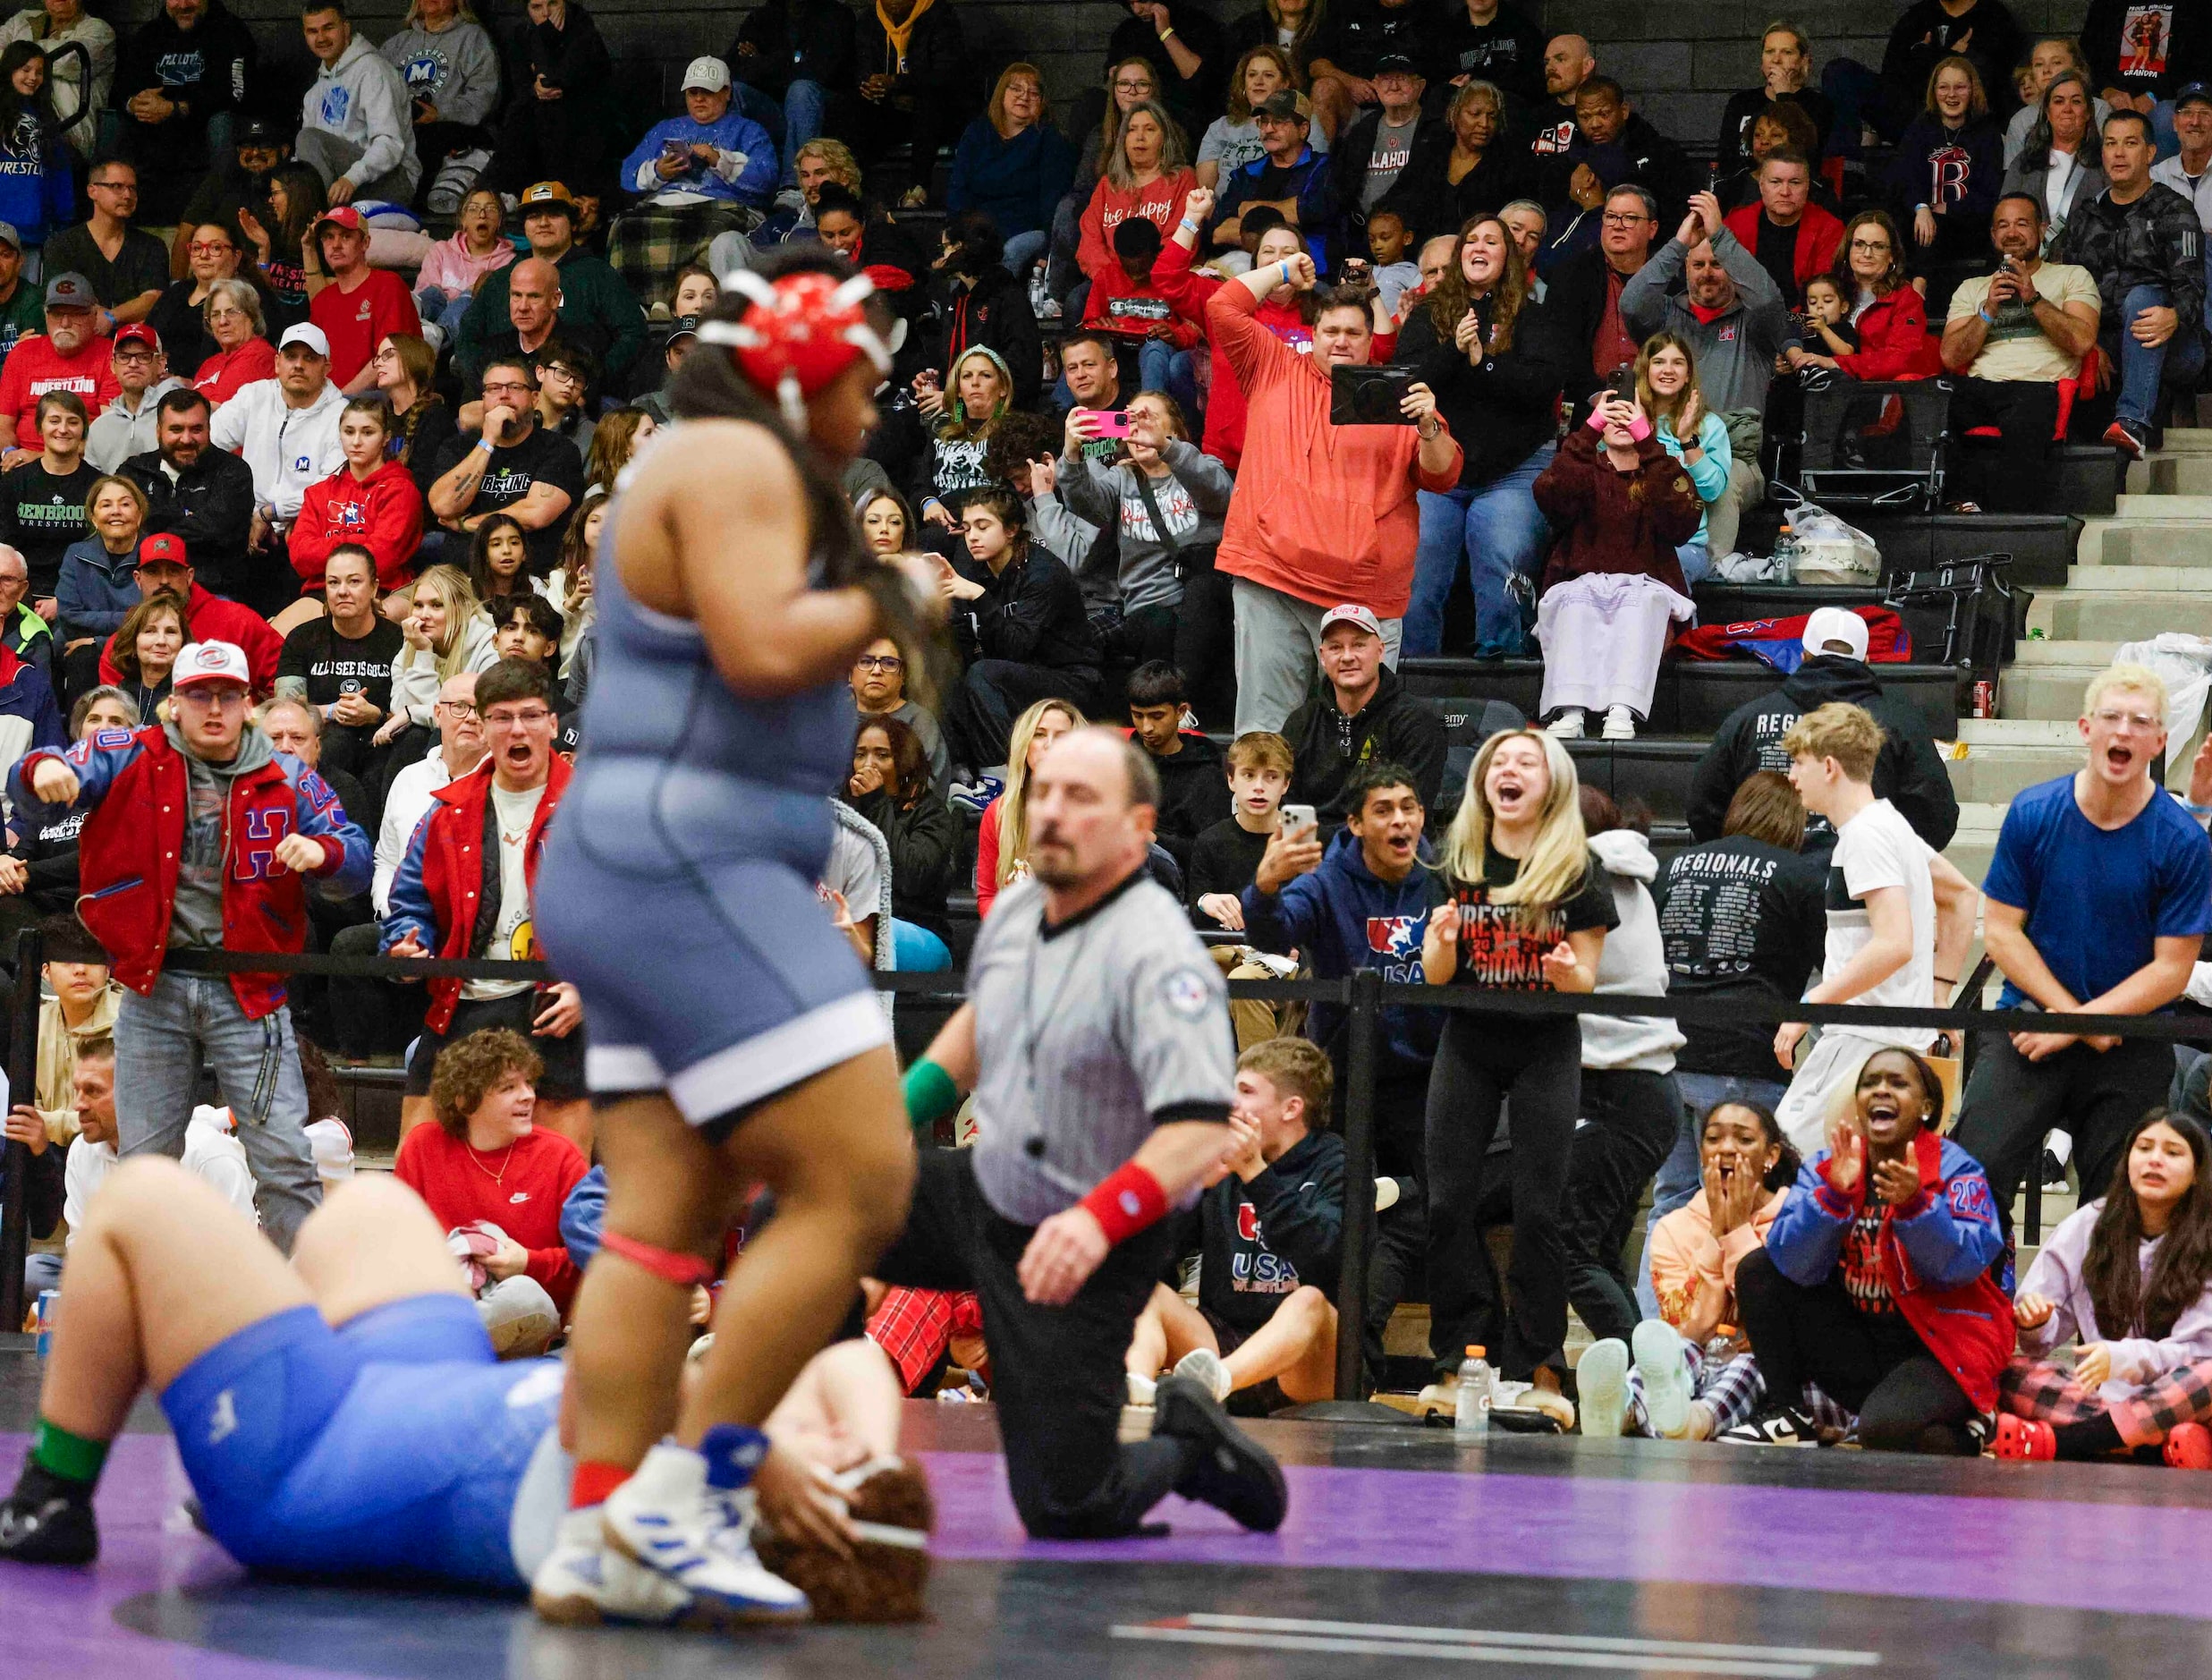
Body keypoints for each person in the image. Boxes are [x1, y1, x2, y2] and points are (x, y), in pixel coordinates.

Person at [523, 254, 942, 1619]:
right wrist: (898, 593)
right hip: (690, 857)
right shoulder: (736, 459)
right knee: (862, 1178)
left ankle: (596, 1534)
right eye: (861, 387)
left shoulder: (703, 462)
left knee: (661, 1219)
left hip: (630, 854)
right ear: (802, 373)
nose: (871, 417)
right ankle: (691, 1486)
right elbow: (766, 646)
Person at [882, 725, 1286, 1536]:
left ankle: (1186, 1446)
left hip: (1095, 1226)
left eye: (1082, 797)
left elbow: (1198, 1129)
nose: (1053, 812)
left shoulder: (1158, 955)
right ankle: (812, 1447)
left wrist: (1092, 1221)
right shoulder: (1023, 903)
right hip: (992, 1186)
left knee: (1067, 1504)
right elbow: (970, 1038)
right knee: (812, 1200)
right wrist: (884, 1124)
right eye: (1045, 792)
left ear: (1138, 828)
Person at [10, 635, 369, 1251]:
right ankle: (152, 1312)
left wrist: (324, 852)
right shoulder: (128, 751)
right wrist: (41, 768)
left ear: (247, 705)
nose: (212, 708)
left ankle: (307, 1304)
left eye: (227, 696)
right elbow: (61, 763)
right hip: (152, 983)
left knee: (284, 1160)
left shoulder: (287, 775)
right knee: (147, 1165)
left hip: (248, 989)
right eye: (198, 695)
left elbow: (355, 853)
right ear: (172, 704)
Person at [1952, 666, 2209, 1225]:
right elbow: (2000, 931)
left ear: (2160, 741)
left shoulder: (2183, 840)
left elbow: (2172, 969)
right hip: (2030, 1026)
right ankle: (1986, 1311)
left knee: (2119, 1211)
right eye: (2112, 718)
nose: (2123, 732)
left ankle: (2100, 1314)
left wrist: (2081, 1023)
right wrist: (2070, 1020)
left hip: (2131, 1041)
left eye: (2140, 722)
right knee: (1970, 1177)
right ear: (2085, 728)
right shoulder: (2033, 812)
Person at [1416, 729, 1611, 1423]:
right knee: (1446, 1204)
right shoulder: (1460, 859)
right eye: (1498, 761)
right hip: (1467, 1040)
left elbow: (1585, 977)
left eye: (1524, 761)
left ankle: (1540, 1372)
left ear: (1549, 782)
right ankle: (1457, 1360)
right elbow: (1437, 977)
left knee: (1538, 1210)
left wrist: (1565, 975)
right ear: (1482, 782)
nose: (1508, 769)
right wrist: (1437, 946)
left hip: (1545, 1046)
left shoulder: (1577, 868)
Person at [1209, 247, 1461, 733]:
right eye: (1330, 331)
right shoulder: (1272, 366)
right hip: (1271, 577)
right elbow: (1222, 307)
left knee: (1364, 736)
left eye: (1353, 333)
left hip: (1363, 592)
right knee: (1266, 732)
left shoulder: (1402, 395)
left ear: (1373, 341)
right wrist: (1283, 270)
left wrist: (1429, 426)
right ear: (1313, 335)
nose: (1341, 342)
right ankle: (1269, 812)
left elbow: (1443, 475)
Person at [1729, 1047, 2012, 1452]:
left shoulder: (1958, 1170)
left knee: (1881, 1433)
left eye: (1898, 1083)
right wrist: (1834, 1199)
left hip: (1942, 1347)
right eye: (1870, 1083)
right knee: (1759, 1269)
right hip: (1861, 1340)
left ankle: (1973, 1422)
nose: (1881, 1090)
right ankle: (1789, 1413)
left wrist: (1917, 1207)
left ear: (1926, 1107)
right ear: (1859, 1103)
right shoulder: (1830, 1166)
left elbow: (1960, 1268)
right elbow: (1792, 1265)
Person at [380, 658, 584, 1146]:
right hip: (462, 1003)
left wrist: (589, 990)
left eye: (532, 715)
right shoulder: (447, 811)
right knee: (417, 1162)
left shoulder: (591, 808)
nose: (518, 729)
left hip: (555, 1006)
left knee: (562, 1183)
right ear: (484, 725)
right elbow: (408, 905)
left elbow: (630, 917)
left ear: (553, 724)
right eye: (502, 717)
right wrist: (408, 946)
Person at [1771, 701, 1977, 1156]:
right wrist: (1939, 995)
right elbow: (1962, 897)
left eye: (1798, 763)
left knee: (1781, 1167)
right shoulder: (1891, 826)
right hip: (1893, 1041)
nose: (1791, 776)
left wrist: (1811, 1003)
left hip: (1865, 1041)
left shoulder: (1867, 835)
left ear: (1828, 767)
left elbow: (1895, 942)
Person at [1645, 773, 1826, 1243]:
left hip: (1667, 1055)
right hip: (1746, 1059)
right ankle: (1732, 1319)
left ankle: (1655, 1319)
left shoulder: (1673, 865)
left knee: (1670, 1207)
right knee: (1744, 1210)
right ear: (1794, 823)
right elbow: (1838, 968)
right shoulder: (1800, 876)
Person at [1124, 1036, 1344, 1410]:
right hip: (1218, 1343)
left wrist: (1256, 1174)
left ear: (1291, 1108)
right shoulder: (1220, 1161)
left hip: (1301, 1363)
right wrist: (1193, 1187)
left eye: (1245, 1091)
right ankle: (1133, 1393)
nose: (1230, 1103)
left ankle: (1212, 1384)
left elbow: (1327, 1255)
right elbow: (1156, 1255)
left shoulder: (1336, 1161)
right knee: (1144, 1289)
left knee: (1309, 1300)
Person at [1996, 1110, 2212, 1464]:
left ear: (2195, 1174)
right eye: (2144, 1148)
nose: (2155, 1159)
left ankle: (2067, 1443)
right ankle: (2153, 1446)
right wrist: (2034, 1323)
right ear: (2128, 1161)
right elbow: (2039, 1343)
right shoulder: (2087, 1224)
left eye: (2173, 1153)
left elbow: (2199, 1354)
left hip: (2185, 1394)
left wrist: (2123, 1357)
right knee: (2007, 1372)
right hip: (2108, 1401)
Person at [1582, 1098, 1801, 1442]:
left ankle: (1687, 1422)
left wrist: (1739, 1228)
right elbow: (1690, 1329)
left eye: (1744, 1139)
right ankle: (1617, 1410)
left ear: (1771, 1156)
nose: (1727, 1149)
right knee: (1673, 1357)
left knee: (1747, 1365)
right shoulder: (1674, 1228)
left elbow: (1779, 1316)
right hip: (1701, 1361)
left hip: (1779, 1372)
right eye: (1714, 1139)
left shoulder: (1798, 1216)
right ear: (1701, 1154)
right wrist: (1717, 1232)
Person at [1398, 212, 1563, 658]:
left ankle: (1501, 668)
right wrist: (1454, 350)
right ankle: (1414, 672)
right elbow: (1408, 384)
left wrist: (1483, 362)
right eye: (1472, 240)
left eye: (1492, 241)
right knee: (1419, 563)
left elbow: (1541, 388)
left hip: (1514, 469)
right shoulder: (1428, 314)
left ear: (1507, 257)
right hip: (1438, 470)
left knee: (1499, 550)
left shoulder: (1531, 315)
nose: (1480, 247)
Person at [1561, 788, 1687, 1348]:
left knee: (1568, 1249)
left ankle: (1647, 1374)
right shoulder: (1627, 873)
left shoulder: (1586, 881)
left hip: (1621, 1091)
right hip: (1648, 1089)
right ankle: (1648, 1374)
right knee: (1598, 1250)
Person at [1688, 608, 1962, 853]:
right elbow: (1936, 815)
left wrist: (1747, 860)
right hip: (1859, 886)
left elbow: (1703, 807)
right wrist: (1892, 862)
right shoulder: (1900, 721)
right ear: (1867, 659)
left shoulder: (1747, 719)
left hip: (1767, 889)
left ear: (1803, 656)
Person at [394, 1025, 588, 1356]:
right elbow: (394, 1242)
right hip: (444, 1300)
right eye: (508, 1087)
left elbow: (590, 1259)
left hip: (527, 1321)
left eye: (529, 1083)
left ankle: (423, 1346)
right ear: (465, 1101)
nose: (528, 1095)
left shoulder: (560, 1155)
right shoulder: (423, 1146)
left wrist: (528, 1262)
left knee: (523, 1296)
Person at [1620, 191, 1792, 558]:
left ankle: (1707, 574)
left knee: (1718, 489)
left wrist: (1721, 236)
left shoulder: (1755, 324)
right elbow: (1631, 303)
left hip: (1736, 462)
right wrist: (1681, 242)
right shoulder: (1665, 317)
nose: (1708, 273)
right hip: (1662, 447)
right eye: (1698, 265)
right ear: (1685, 268)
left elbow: (1768, 300)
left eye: (1717, 264)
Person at [1530, 386, 1702, 742]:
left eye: (1631, 411)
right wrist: (1589, 430)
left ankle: (1623, 709)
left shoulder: (1658, 470)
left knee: (1640, 603)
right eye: (1611, 409)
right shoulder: (1581, 467)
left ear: (1648, 422)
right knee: (1575, 601)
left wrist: (1648, 444)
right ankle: (1570, 709)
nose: (1620, 416)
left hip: (1645, 588)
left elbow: (1685, 520)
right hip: (1581, 584)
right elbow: (1551, 497)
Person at [2060, 108, 2207, 459]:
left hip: (2173, 342)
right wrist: (2088, 344)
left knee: (2142, 298)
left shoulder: (2175, 209)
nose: (2119, 153)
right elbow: (2066, 286)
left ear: (2151, 153)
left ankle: (2131, 423)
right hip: (2104, 343)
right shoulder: (2084, 215)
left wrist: (2173, 316)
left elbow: (2194, 288)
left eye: (2130, 143)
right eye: (2111, 143)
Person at [1941, 193, 2103, 513]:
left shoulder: (2071, 276)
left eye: (2022, 223)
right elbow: (1950, 356)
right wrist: (1987, 310)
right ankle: (1955, 506)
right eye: (2002, 225)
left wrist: (2032, 298)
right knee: (1934, 398)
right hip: (1982, 387)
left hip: (2038, 386)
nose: (2012, 232)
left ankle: (2011, 521)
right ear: (1993, 236)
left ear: (2042, 230)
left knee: (2027, 412)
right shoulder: (1972, 287)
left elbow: (2082, 342)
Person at [1057, 389, 1232, 676]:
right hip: (1147, 606)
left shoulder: (1202, 465)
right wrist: (1072, 454)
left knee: (1203, 592)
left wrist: (1167, 448)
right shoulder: (1121, 478)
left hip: (1203, 600)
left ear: (1174, 430)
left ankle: (1183, 704)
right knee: (1156, 622)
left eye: (1149, 419)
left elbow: (1217, 493)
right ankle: (1169, 704)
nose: (1140, 429)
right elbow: (1085, 505)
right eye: (1131, 422)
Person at [940, 486, 1102, 778]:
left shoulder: (1042, 574)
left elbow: (1016, 647)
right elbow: (964, 634)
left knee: (982, 674)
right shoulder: (977, 568)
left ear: (1012, 529)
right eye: (966, 529)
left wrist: (980, 598)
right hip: (1018, 675)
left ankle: (1004, 776)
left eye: (983, 526)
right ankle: (962, 773)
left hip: (1070, 678)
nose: (972, 536)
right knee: (947, 671)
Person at [610, 55, 777, 303]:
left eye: (707, 92)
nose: (699, 99)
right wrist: (658, 171)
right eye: (693, 92)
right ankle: (641, 308)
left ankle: (699, 306)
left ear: (727, 92)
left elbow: (767, 179)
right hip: (665, 205)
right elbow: (627, 174)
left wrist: (719, 160)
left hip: (723, 207)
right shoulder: (665, 128)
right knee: (623, 227)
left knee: (714, 231)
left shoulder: (749, 130)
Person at [454, 181, 646, 394]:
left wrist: (590, 383)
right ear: (524, 226)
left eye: (554, 214)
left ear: (573, 223)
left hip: (577, 402)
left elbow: (633, 333)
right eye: (534, 216)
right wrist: (489, 386)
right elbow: (467, 338)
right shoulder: (501, 279)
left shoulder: (600, 275)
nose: (543, 222)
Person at [208, 323, 347, 610]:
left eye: (310, 358)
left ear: (327, 367)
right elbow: (207, 450)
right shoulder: (254, 396)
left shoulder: (341, 414)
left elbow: (328, 487)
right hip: (245, 531)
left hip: (303, 535)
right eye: (291, 356)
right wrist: (245, 511)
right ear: (276, 363)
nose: (298, 365)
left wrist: (269, 513)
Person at [1276, 601, 1445, 824]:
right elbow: (1289, 812)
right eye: (1336, 647)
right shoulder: (1301, 722)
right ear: (1323, 657)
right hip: (1311, 852)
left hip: (1391, 849)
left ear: (1380, 651)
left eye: (1358, 645)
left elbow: (1407, 818)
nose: (1347, 657)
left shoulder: (1417, 723)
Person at [427, 358, 582, 577]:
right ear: (483, 400)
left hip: (530, 581)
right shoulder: (457, 447)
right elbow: (443, 506)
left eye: (515, 387)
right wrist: (488, 441)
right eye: (493, 389)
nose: (503, 395)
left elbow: (534, 514)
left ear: (535, 399)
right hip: (461, 580)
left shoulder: (559, 450)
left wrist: (468, 524)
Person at [110, 0, 258, 225]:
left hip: (204, 135)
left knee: (222, 122)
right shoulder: (149, 35)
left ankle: (224, 218)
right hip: (155, 140)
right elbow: (120, 88)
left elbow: (237, 95)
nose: (182, 4)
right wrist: (134, 103)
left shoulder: (230, 31)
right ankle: (107, 219)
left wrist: (177, 108)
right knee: (113, 121)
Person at [275, 541, 401, 792]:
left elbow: (416, 712)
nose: (342, 591)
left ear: (374, 588)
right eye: (334, 583)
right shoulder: (302, 638)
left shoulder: (398, 640)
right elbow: (285, 710)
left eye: (354, 582)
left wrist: (375, 715)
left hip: (384, 740)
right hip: (324, 744)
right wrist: (333, 711)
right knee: (336, 742)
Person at [94, 531, 276, 693]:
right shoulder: (121, 646)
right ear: (138, 579)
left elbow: (283, 674)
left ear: (189, 576)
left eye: (173, 571)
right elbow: (115, 714)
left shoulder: (237, 620)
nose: (164, 580)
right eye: (153, 572)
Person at [842, 715, 955, 969]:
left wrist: (877, 802)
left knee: (868, 930)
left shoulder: (931, 813)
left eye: (882, 755)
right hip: (855, 925)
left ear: (903, 761)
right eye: (861, 754)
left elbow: (912, 877)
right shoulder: (843, 810)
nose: (868, 764)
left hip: (922, 935)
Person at [117, 386, 254, 598]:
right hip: (139, 588)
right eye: (176, 429)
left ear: (209, 429)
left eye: (196, 429)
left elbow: (218, 531)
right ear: (158, 431)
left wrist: (154, 524)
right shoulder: (134, 471)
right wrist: (189, 518)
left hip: (212, 591)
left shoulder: (233, 471)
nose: (186, 439)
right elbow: (123, 529)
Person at [947, 64, 1076, 278]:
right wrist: (956, 231)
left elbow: (1053, 199)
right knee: (965, 254)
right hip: (980, 228)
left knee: (1008, 252)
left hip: (1025, 228)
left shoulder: (1049, 138)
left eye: (1033, 93)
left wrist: (1049, 247)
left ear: (1042, 102)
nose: (1024, 97)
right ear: (1001, 94)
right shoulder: (977, 132)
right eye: (1016, 89)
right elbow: (958, 187)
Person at [371, 667, 479, 916]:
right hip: (406, 917)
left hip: (474, 926)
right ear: (438, 714)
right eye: (460, 706)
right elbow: (387, 861)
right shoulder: (408, 778)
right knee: (349, 945)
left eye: (482, 708)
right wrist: (390, 911)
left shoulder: (503, 782)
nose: (472, 718)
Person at [288, 395, 420, 598]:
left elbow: (382, 559)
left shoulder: (400, 490)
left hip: (381, 590)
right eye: (349, 432)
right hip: (322, 590)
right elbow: (300, 557)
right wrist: (359, 540)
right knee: (281, 630)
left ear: (386, 437)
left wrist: (328, 546)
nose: (356, 441)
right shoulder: (319, 493)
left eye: (368, 432)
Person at [848, 0, 976, 206]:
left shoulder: (939, 15)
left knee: (928, 102)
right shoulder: (870, 20)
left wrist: (897, 82)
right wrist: (871, 85)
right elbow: (863, 68)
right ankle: (852, 188)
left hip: (938, 114)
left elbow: (946, 75)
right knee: (853, 106)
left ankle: (918, 188)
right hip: (892, 108)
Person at [1547, 77, 1696, 251]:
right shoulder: (1565, 162)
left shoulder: (1661, 154)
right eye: (1585, 117)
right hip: (1578, 258)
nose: (1594, 124)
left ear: (1624, 110)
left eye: (1603, 114)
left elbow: (1681, 215)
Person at [1883, 55, 2003, 272]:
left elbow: (1990, 191)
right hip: (1922, 222)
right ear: (1934, 91)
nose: (1951, 95)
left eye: (1960, 87)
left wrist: (1950, 209)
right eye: (1944, 87)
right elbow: (1906, 177)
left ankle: (1921, 283)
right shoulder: (1920, 128)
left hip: (1968, 224)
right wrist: (1921, 208)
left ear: (1972, 91)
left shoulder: (1987, 133)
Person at [723, 0, 854, 193]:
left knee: (801, 90)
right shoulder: (762, 18)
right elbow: (734, 68)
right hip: (775, 111)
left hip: (821, 112)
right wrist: (783, 66)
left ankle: (794, 187)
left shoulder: (836, 16)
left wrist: (762, 62)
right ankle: (731, 178)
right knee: (736, 91)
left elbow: (822, 72)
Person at [296, 1, 419, 208]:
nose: (321, 38)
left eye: (328, 28)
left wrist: (351, 178)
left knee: (308, 138)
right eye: (312, 31)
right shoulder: (315, 92)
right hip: (343, 184)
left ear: (346, 27)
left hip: (393, 182)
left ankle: (320, 220)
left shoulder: (373, 71)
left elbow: (390, 144)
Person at [379, 0, 501, 203]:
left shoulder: (472, 38)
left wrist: (440, 112)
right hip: (402, 125)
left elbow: (483, 97)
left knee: (426, 137)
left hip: (452, 128)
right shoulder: (397, 44)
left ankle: (411, 204)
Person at [1543, 181, 1657, 388]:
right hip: (1588, 400)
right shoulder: (1571, 275)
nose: (1618, 225)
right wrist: (1592, 395)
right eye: (1611, 217)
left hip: (1655, 401)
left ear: (1652, 229)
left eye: (1630, 218)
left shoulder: (1666, 280)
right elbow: (1559, 348)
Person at [0, 272, 118, 464]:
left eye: (75, 313)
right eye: (56, 314)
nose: (64, 323)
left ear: (94, 314)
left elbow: (110, 436)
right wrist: (10, 454)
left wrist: (40, 459)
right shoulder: (23, 353)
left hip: (85, 466)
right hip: (21, 467)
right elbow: (3, 426)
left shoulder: (110, 355)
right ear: (46, 314)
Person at [1118, 659, 1223, 871]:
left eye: (1157, 716)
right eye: (1138, 716)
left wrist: (1156, 840)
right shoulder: (1121, 762)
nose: (1146, 727)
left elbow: (1213, 852)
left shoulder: (1206, 774)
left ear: (1181, 711)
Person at [304, 206, 420, 392]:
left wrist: (340, 400)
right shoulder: (322, 301)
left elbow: (389, 358)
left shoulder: (388, 285)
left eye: (346, 236)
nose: (335, 245)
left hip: (378, 403)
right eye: (328, 237)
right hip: (332, 405)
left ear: (365, 243)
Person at [377, 561, 493, 743]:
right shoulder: (411, 646)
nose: (424, 615)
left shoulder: (488, 644)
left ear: (462, 607)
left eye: (437, 605)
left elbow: (460, 717)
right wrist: (423, 653)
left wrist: (412, 713)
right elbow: (401, 710)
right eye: (418, 605)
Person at [42, 160, 165, 329]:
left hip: (135, 345)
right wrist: (131, 312)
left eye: (132, 188)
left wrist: (111, 317)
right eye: (117, 186)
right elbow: (60, 300)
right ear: (92, 191)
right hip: (79, 340)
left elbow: (154, 299)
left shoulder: (152, 246)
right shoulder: (62, 244)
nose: (127, 195)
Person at [1210, 89, 1330, 264]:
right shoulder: (1245, 173)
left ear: (1303, 129)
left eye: (1279, 122)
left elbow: (1311, 211)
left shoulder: (1324, 167)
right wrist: (1285, 218)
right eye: (1264, 122)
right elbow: (1219, 232)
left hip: (1306, 270)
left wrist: (1250, 210)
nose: (1268, 129)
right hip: (1245, 266)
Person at [1190, 728, 1292, 927]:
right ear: (1231, 780)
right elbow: (1196, 915)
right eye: (1248, 775)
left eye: (1271, 776)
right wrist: (1205, 901)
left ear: (1286, 784)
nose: (1259, 787)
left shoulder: (1305, 841)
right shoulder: (1210, 842)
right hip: (1230, 952)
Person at [0, 388, 93, 601]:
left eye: (72, 422)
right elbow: (5, 547)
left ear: (83, 430)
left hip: (80, 595)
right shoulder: (13, 483)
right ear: (39, 427)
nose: (63, 429)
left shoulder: (98, 485)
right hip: (19, 594)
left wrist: (64, 601)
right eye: (54, 421)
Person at [55, 473, 146, 690]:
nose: (116, 511)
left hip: (139, 645)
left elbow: (154, 619)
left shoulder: (153, 557)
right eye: (106, 505)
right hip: (80, 644)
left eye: (125, 504)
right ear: (94, 518)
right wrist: (130, 617)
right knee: (81, 656)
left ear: (139, 515)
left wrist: (100, 641)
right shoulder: (76, 554)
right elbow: (69, 614)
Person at [1722, 149, 1845, 305]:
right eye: (1775, 182)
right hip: (1743, 319)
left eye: (1795, 183)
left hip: (1806, 320)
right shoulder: (1735, 224)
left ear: (1807, 186)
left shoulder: (1829, 229)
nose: (1785, 192)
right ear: (1761, 185)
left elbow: (1825, 295)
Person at [2003, 70, 2107, 252]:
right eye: (2059, 101)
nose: (2067, 108)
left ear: (2088, 112)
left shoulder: (2104, 163)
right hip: (2034, 269)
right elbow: (2004, 217)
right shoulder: (2023, 163)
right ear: (2048, 113)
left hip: (2088, 270)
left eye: (2076, 101)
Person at [1197, 46, 1325, 194]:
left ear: (1285, 84)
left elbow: (1315, 177)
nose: (1258, 81)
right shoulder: (1219, 128)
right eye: (1252, 75)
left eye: (1268, 75)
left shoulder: (1304, 122)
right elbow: (1205, 190)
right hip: (1225, 212)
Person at [0, 0, 113, 163]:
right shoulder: (23, 19)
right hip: (11, 128)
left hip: (66, 137)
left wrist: (13, 56)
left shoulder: (99, 30)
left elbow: (65, 62)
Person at [1716, 21, 1834, 177]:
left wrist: (1784, 97)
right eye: (1770, 51)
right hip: (1745, 191)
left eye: (1787, 52)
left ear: (1803, 60)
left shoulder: (1818, 105)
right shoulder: (1741, 102)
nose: (1776, 60)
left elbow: (1806, 158)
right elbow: (1726, 160)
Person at [0, 42, 75, 258]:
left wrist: (63, 219)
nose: (33, 77)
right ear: (10, 69)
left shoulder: (46, 118)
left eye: (40, 72)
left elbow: (59, 172)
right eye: (26, 70)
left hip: (34, 233)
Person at [413, 188, 513, 346]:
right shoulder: (441, 250)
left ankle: (439, 334)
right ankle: (410, 309)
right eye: (473, 208)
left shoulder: (509, 261)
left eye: (491, 209)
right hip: (426, 321)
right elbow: (423, 288)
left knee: (470, 298)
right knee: (433, 292)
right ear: (463, 220)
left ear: (499, 221)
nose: (482, 214)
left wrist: (466, 296)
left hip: (470, 330)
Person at [1107, 0, 1229, 128]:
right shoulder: (1126, 32)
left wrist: (1165, 32)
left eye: (1143, 1)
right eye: (1131, 3)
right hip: (1136, 111)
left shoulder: (1196, 23)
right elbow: (1113, 77)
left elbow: (1199, 78)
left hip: (1186, 114)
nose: (1137, 10)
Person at [87, 324, 182, 474]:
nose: (133, 364)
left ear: (161, 364)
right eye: (124, 357)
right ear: (112, 365)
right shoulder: (99, 427)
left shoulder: (181, 417)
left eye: (144, 357)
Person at [188, 276, 274, 409]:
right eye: (215, 315)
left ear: (252, 316)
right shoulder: (211, 363)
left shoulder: (258, 354)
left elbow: (219, 409)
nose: (223, 322)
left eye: (232, 312)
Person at [1438, 0, 1543, 106]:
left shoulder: (1524, 31)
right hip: (1462, 111)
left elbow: (1537, 84)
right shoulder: (1446, 36)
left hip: (1511, 112)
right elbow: (1436, 88)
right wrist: (1450, 90)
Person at [105, 586, 181, 717]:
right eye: (150, 631)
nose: (161, 641)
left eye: (171, 632)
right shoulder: (119, 696)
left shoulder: (191, 699)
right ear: (133, 641)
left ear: (183, 643)